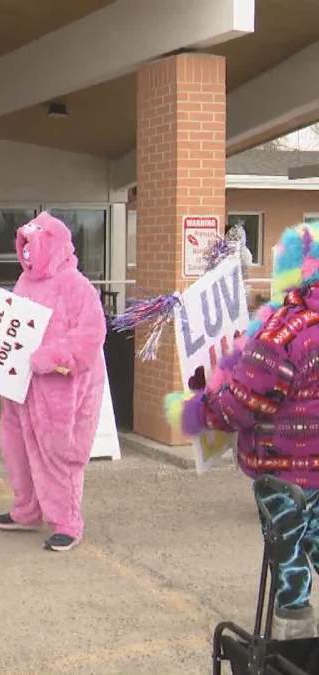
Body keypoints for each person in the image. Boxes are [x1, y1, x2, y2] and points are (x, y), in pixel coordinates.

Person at [167, 221, 319, 638]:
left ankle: (295, 639)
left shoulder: (284, 331)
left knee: (287, 556)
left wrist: (200, 410)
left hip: (281, 469)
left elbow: (245, 402)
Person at [0, 212, 106, 552]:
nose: (27, 252)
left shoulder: (76, 286)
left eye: (33, 245)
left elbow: (91, 336)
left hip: (62, 392)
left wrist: (53, 356)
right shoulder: (24, 283)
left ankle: (66, 521)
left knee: (59, 455)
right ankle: (27, 509)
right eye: (23, 245)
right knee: (16, 449)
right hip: (20, 387)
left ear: (52, 245)